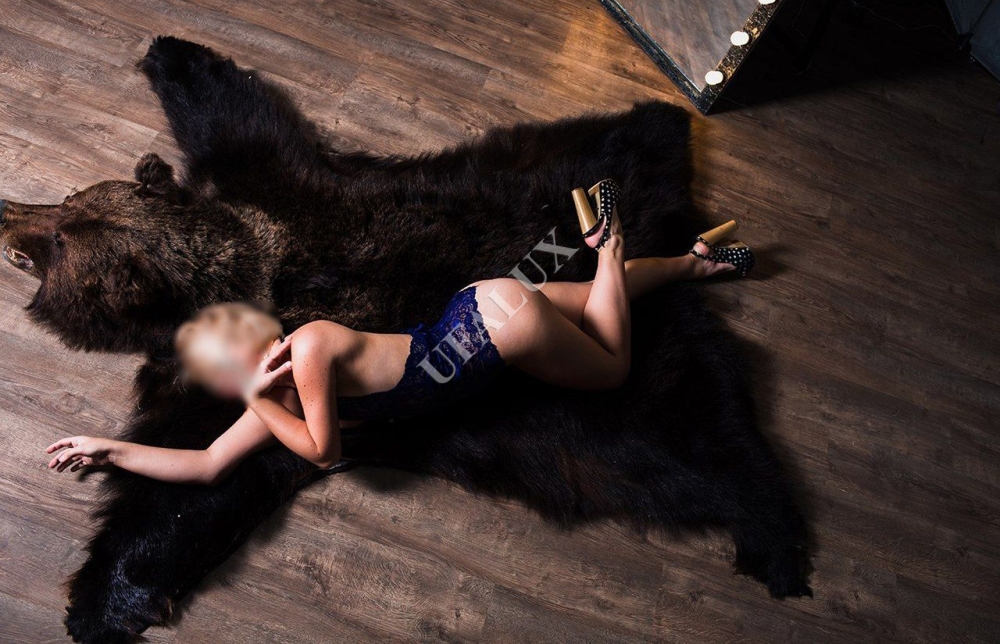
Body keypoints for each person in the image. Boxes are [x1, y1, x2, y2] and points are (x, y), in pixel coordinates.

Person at [46, 181, 754, 484]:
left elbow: (324, 453)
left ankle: (604, 240)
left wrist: (259, 398)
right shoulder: (284, 396)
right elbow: (205, 463)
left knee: (613, 366)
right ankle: (696, 262)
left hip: (498, 331)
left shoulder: (308, 351)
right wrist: (109, 448)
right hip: (479, 304)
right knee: (607, 299)